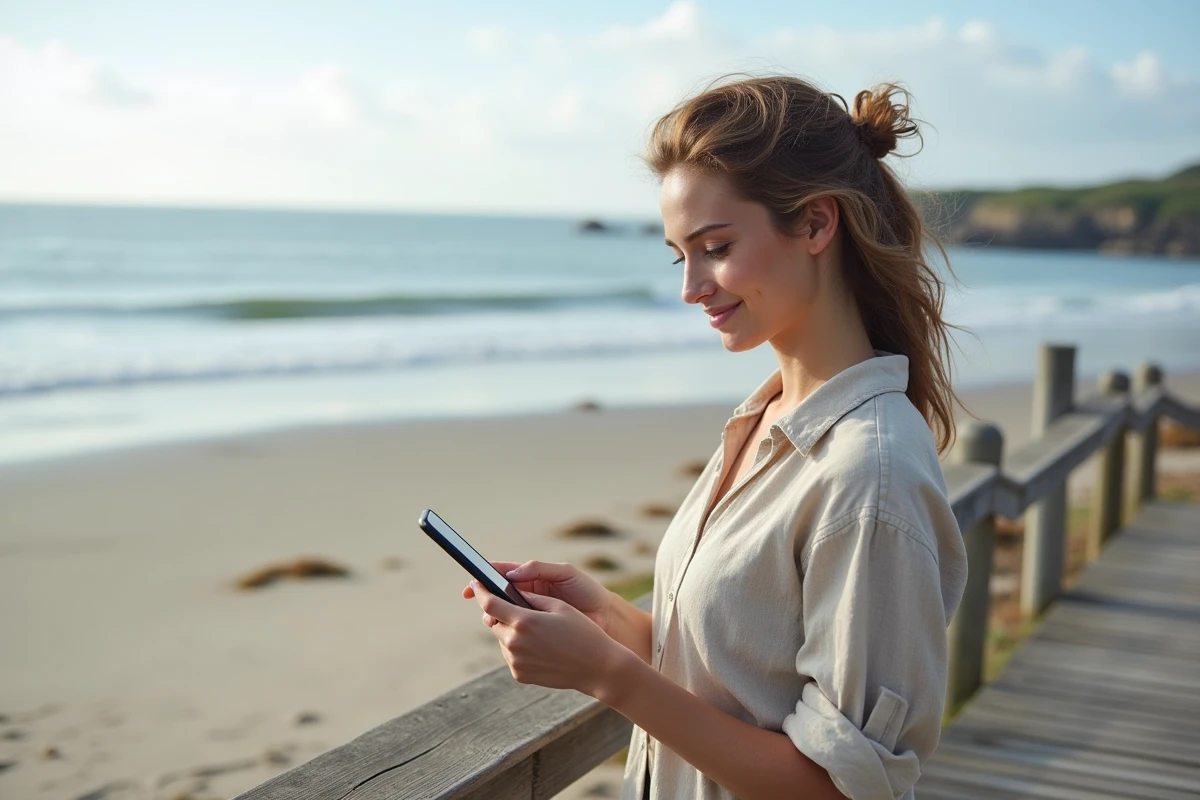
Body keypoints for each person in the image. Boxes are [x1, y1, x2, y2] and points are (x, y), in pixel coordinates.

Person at [462, 75, 968, 800]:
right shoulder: (764, 420)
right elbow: (740, 681)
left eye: (717, 247)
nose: (691, 286)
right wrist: (608, 619)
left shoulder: (869, 470)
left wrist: (606, 675)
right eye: (680, 255)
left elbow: (841, 788)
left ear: (818, 224)